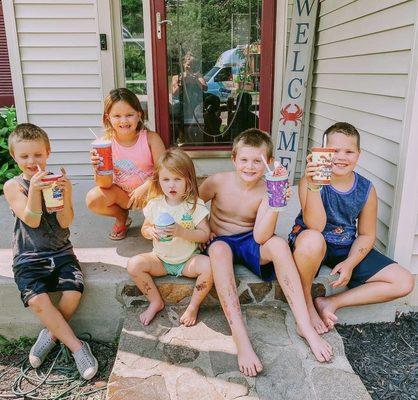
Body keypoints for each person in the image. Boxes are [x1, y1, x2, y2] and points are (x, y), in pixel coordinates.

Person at [199, 129, 333, 377]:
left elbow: (261, 236)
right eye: (244, 160)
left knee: (279, 245)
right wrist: (203, 229)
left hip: (250, 240)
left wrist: (275, 201)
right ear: (234, 159)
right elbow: (193, 204)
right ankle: (241, 339)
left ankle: (306, 327)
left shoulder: (266, 188)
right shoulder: (217, 181)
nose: (249, 167)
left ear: (269, 163)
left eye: (257, 161)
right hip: (221, 242)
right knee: (218, 251)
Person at [289, 122, 415, 334]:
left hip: (344, 245)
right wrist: (312, 185)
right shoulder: (311, 181)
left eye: (348, 151)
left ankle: (330, 302)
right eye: (334, 151)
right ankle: (307, 305)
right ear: (324, 153)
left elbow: (366, 235)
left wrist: (350, 263)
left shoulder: (366, 188)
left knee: (404, 281)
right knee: (312, 239)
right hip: (310, 241)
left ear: (358, 154)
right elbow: (316, 225)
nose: (341, 157)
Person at [3, 123, 98, 380]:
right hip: (29, 255)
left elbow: (66, 221)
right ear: (14, 157)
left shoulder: (56, 181)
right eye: (24, 156)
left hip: (61, 252)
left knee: (73, 293)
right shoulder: (13, 186)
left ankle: (52, 334)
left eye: (37, 154)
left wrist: (65, 194)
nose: (32, 161)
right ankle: (78, 347)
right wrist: (34, 188)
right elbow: (31, 220)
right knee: (37, 299)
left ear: (48, 152)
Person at [127, 148, 213, 326]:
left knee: (210, 267)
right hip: (160, 260)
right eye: (166, 179)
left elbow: (205, 234)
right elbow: (145, 227)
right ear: (158, 181)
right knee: (134, 264)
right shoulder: (155, 204)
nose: (171, 185)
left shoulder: (193, 205)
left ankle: (193, 306)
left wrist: (181, 232)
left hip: (188, 260)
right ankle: (155, 301)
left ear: (188, 180)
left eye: (177, 179)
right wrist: (149, 232)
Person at [86, 88, 165, 240]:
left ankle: (153, 219)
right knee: (93, 198)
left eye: (129, 115)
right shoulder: (104, 144)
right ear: (108, 117)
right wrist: (98, 169)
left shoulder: (151, 139)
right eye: (117, 116)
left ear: (139, 115)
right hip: (123, 195)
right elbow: (105, 184)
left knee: (160, 229)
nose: (123, 121)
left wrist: (145, 187)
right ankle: (122, 218)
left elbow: (164, 171)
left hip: (151, 193)